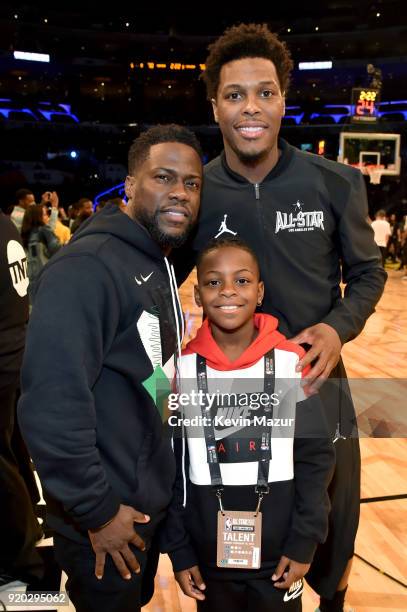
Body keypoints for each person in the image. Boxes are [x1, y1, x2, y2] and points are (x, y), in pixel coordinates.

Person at [172, 23, 387, 611]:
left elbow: (370, 274)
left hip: (317, 386)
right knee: (240, 544)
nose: (251, 108)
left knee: (332, 534)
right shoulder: (197, 193)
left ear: (283, 99)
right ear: (214, 104)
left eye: (265, 92)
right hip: (229, 397)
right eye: (235, 94)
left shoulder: (334, 181)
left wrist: (338, 329)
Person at [18, 124, 203, 612]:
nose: (179, 193)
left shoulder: (153, 260)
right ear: (129, 185)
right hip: (103, 519)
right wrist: (97, 512)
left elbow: (149, 377)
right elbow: (50, 404)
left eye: (191, 183)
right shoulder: (88, 268)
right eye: (164, 177)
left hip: (138, 508)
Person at [162, 236, 335, 611]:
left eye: (241, 281)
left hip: (280, 558)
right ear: (196, 294)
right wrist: (178, 548)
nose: (227, 291)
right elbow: (164, 466)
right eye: (213, 282)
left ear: (259, 292)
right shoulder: (175, 372)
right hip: (208, 557)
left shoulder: (293, 363)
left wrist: (304, 541)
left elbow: (316, 455)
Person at [0, 210, 43, 589]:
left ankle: (22, 556)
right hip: (15, 348)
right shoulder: (5, 222)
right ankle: (31, 511)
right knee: (11, 445)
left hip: (4, 354)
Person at [21, 193, 61, 303]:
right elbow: (56, 249)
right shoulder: (43, 231)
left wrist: (54, 207)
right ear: (37, 217)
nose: (47, 217)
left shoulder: (26, 234)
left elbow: (49, 228)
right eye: (44, 215)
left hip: (30, 282)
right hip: (46, 279)